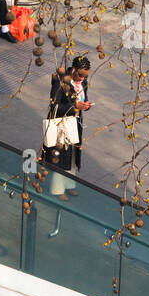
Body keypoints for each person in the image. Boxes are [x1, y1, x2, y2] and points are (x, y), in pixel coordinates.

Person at [41, 54, 92, 198]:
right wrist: (74, 105)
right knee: (62, 155)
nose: (82, 78)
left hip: (75, 122)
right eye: (81, 74)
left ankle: (70, 184)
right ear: (73, 69)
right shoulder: (60, 82)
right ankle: (57, 189)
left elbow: (84, 99)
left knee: (74, 154)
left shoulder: (83, 82)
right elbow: (54, 106)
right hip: (62, 125)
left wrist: (85, 106)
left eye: (85, 75)